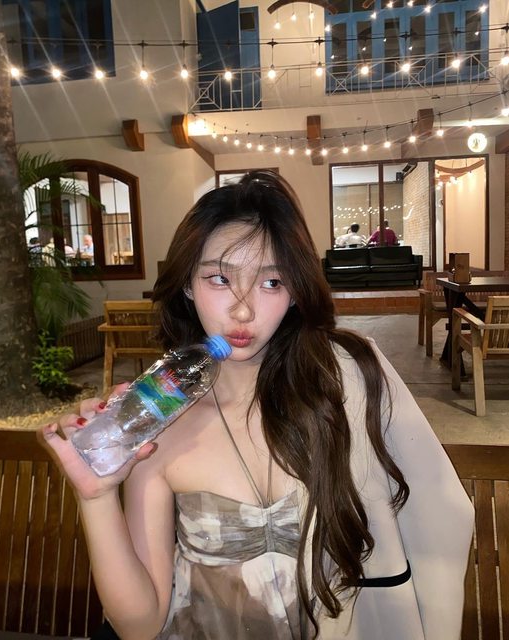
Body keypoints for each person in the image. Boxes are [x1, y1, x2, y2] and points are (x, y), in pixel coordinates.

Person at [39, 170, 473, 640]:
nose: (243, 310)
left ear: (295, 292)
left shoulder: (344, 383)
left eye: (271, 282)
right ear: (187, 284)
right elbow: (140, 626)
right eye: (219, 278)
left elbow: (438, 516)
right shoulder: (158, 421)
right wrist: (97, 498)